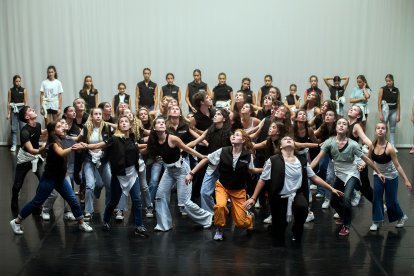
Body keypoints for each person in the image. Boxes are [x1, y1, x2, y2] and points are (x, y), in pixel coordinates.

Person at [245, 136, 342, 245]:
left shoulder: (302, 161)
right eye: (285, 139)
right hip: (278, 197)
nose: (288, 140)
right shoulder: (272, 160)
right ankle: (275, 228)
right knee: (279, 231)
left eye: (290, 139)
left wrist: (331, 188)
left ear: (294, 145)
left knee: (303, 208)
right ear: (280, 146)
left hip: (296, 194)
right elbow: (263, 179)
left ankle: (296, 231)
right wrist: (253, 197)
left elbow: (314, 177)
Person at [10, 120, 93, 235]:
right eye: (59, 126)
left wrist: (81, 144)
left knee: (72, 199)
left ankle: (81, 222)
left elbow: (72, 140)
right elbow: (62, 153)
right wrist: (74, 148)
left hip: (60, 178)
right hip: (50, 178)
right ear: (53, 131)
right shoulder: (53, 143)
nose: (62, 127)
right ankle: (17, 221)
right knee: (37, 202)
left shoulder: (61, 139)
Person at [311, 118, 385, 236]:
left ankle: (346, 225)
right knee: (334, 201)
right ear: (336, 127)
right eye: (339, 123)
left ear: (347, 129)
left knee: (346, 198)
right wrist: (308, 170)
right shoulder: (329, 142)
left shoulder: (353, 144)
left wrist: (378, 171)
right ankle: (344, 215)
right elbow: (318, 158)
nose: (341, 126)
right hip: (339, 174)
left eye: (344, 124)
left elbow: (366, 159)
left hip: (352, 173)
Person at [186, 129, 262, 241]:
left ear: (243, 140)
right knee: (220, 206)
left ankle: (249, 218)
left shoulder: (247, 155)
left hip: (238, 190)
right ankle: (219, 228)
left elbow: (251, 170)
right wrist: (191, 173)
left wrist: (264, 170)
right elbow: (206, 159)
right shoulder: (223, 151)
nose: (233, 136)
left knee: (241, 223)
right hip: (223, 186)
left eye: (237, 135)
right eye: (233, 135)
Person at [84, 115, 149, 236]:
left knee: (137, 200)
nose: (124, 123)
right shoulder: (113, 139)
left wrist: (150, 146)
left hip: (132, 174)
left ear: (130, 125)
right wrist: (86, 146)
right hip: (118, 175)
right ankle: (106, 221)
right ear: (118, 125)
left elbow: (137, 148)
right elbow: (99, 145)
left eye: (126, 121)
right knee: (114, 201)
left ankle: (139, 226)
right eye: (121, 122)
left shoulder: (133, 138)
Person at [146, 117, 212, 231]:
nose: (161, 124)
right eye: (159, 123)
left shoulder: (172, 138)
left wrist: (202, 157)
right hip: (169, 171)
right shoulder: (154, 141)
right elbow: (148, 151)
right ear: (154, 127)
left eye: (163, 122)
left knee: (184, 204)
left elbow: (187, 149)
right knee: (160, 197)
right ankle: (164, 225)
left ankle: (207, 218)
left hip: (182, 170)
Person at [186, 109, 232, 214]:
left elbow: (235, 149)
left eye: (218, 114)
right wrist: (181, 148)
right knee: (204, 193)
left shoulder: (229, 133)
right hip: (212, 165)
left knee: (227, 195)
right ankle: (211, 214)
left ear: (224, 119)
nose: (215, 116)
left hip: (225, 168)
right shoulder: (210, 130)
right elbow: (195, 142)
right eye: (215, 114)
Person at [369, 122, 412, 231]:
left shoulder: (390, 148)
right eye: (378, 128)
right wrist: (362, 164)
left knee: (391, 201)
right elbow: (369, 159)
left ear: (386, 131)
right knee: (377, 198)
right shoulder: (372, 145)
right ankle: (376, 221)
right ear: (375, 131)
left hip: (391, 176)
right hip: (378, 174)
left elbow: (397, 165)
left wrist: (406, 180)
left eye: (383, 128)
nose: (380, 130)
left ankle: (401, 217)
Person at [79, 107, 112, 221]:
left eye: (100, 114)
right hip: (89, 158)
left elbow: (110, 142)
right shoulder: (86, 127)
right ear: (91, 116)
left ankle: (109, 208)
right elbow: (81, 141)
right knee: (90, 185)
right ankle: (88, 211)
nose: (98, 116)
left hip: (103, 159)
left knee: (107, 185)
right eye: (96, 114)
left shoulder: (107, 127)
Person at [11, 106, 46, 211]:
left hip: (36, 157)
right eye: (30, 110)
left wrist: (52, 127)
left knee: (43, 181)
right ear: (27, 117)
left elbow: (41, 133)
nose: (34, 110)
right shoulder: (24, 131)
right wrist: (44, 148)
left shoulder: (38, 125)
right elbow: (31, 150)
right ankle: (14, 198)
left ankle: (37, 202)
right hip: (25, 158)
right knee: (18, 184)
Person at [377, 74, 400, 146]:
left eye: (389, 81)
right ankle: (382, 144)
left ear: (393, 81)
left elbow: (398, 103)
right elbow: (379, 101)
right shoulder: (382, 89)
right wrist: (380, 113)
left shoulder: (396, 90)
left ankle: (392, 146)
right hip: (385, 111)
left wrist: (398, 115)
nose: (388, 82)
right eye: (386, 81)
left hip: (394, 111)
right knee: (383, 128)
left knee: (392, 129)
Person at [7, 75, 28, 152]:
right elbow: (8, 102)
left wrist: (26, 112)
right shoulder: (10, 90)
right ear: (14, 82)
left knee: (22, 128)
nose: (18, 83)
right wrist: (8, 113)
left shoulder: (24, 90)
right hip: (14, 109)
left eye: (19, 81)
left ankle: (23, 145)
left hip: (22, 109)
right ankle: (14, 145)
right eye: (16, 81)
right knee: (13, 128)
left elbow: (26, 102)